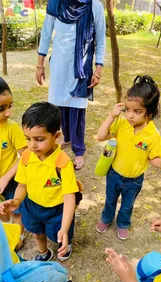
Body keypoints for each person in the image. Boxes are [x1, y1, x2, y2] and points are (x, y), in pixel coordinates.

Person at [0, 102, 79, 261]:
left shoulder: (63, 163)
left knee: (60, 234)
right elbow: (22, 185)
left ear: (56, 136)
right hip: (32, 206)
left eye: (39, 139)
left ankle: (65, 245)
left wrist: (64, 227)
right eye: (28, 139)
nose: (32, 145)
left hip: (57, 210)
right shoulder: (27, 157)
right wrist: (17, 200)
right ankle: (44, 253)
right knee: (37, 233)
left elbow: (70, 196)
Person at [96, 75, 161, 240]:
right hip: (114, 174)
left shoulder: (153, 135)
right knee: (110, 200)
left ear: (149, 113)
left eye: (137, 111)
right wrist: (111, 116)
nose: (130, 115)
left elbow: (153, 158)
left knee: (127, 205)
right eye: (127, 109)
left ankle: (123, 223)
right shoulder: (121, 124)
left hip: (134, 180)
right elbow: (101, 136)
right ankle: (106, 218)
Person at [36, 0, 106, 170]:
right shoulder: (56, 4)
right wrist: (40, 65)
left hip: (81, 68)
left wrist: (98, 70)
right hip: (59, 66)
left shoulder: (94, 6)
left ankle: (79, 150)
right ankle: (66, 138)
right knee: (58, 107)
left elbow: (100, 40)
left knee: (77, 109)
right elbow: (46, 35)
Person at [0, 77, 27, 249]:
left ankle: (19, 236)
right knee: (2, 212)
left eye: (10, 106)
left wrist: (6, 177)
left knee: (16, 210)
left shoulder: (12, 128)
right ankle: (6, 232)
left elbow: (26, 155)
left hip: (11, 181)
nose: (8, 113)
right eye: (1, 109)